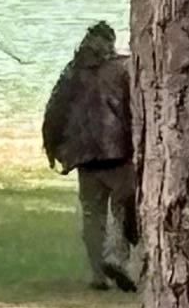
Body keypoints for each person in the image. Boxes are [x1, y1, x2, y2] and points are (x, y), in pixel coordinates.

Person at [41, 20, 140, 290]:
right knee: (124, 208)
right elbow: (135, 111)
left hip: (84, 157)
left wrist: (52, 147)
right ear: (110, 43)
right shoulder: (123, 70)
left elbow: (55, 111)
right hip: (118, 152)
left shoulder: (72, 72)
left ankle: (97, 274)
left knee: (91, 215)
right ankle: (117, 257)